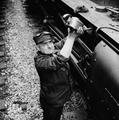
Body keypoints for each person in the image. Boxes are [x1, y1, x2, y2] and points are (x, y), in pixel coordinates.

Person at [34, 17, 84, 120]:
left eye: (50, 42)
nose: (49, 46)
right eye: (44, 44)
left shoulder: (51, 49)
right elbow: (60, 60)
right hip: (53, 102)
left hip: (59, 96)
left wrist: (74, 34)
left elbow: (62, 43)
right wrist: (71, 37)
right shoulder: (40, 62)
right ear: (38, 48)